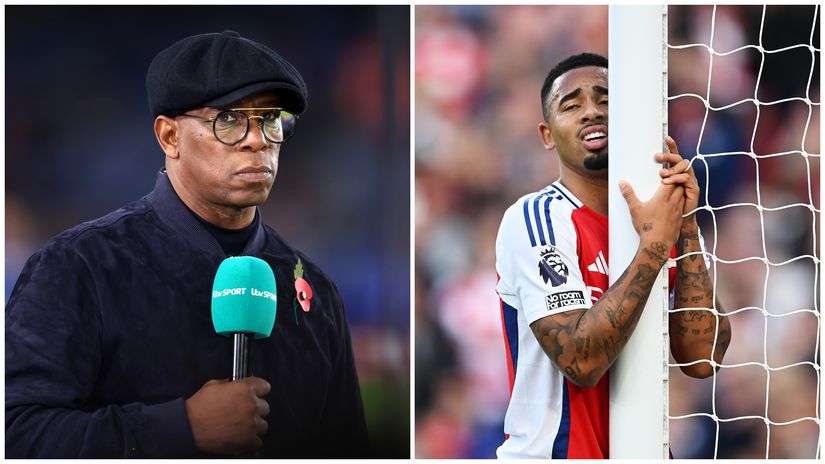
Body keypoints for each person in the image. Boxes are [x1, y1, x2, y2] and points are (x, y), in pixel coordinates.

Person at [5, 30, 368, 458]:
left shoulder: (314, 290)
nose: (257, 139)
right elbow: (15, 434)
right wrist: (182, 427)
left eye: (271, 119)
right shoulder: (79, 267)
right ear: (169, 137)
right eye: (228, 119)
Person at [494, 52, 732, 459]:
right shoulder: (536, 219)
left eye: (606, 100)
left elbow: (703, 359)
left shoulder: (657, 217)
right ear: (547, 135)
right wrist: (654, 247)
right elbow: (580, 361)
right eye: (571, 106)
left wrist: (686, 223)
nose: (592, 112)